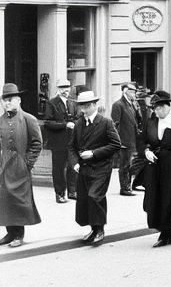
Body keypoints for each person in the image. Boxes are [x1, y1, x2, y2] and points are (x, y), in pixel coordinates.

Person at [68, 90, 122, 245]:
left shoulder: (105, 122)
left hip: (101, 167)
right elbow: (71, 147)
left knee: (95, 196)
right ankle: (93, 229)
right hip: (84, 168)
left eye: (85, 107)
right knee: (85, 199)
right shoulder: (79, 124)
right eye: (81, 107)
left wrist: (94, 153)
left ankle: (100, 229)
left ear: (93, 105)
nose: (82, 110)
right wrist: (75, 163)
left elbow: (115, 144)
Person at [140, 91, 171, 248]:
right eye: (155, 108)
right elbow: (144, 141)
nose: (157, 111)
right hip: (154, 167)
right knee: (154, 199)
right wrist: (147, 151)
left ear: (169, 106)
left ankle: (167, 233)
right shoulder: (151, 123)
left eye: (160, 107)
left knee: (168, 199)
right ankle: (168, 228)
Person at [0, 83, 42, 248]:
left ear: (18, 100)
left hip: (20, 167)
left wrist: (27, 163)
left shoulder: (28, 119)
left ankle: (19, 234)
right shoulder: (1, 121)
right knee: (5, 200)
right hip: (4, 168)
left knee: (20, 200)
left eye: (10, 100)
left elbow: (37, 143)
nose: (7, 103)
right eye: (4, 100)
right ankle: (10, 232)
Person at [42, 78, 79, 203]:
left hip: (72, 141)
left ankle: (72, 191)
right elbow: (47, 122)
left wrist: (74, 124)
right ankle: (59, 193)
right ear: (58, 89)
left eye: (67, 88)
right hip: (58, 142)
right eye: (63, 88)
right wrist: (64, 125)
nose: (65, 91)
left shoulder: (73, 103)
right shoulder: (51, 103)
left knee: (72, 166)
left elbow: (77, 118)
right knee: (58, 169)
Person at [111, 82, 143, 197]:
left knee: (131, 164)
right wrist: (118, 141)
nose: (134, 93)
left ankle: (129, 185)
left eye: (135, 91)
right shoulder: (118, 105)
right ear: (125, 91)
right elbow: (115, 124)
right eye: (132, 91)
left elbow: (137, 119)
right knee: (125, 164)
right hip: (124, 140)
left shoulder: (132, 104)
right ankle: (124, 187)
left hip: (133, 139)